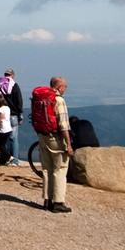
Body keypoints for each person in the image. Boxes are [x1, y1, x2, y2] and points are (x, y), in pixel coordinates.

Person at [33, 76, 73, 212]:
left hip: (42, 137)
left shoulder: (43, 99)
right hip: (56, 139)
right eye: (65, 86)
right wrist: (69, 144)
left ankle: (47, 200)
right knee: (60, 169)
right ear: (59, 87)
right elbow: (64, 125)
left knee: (46, 169)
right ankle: (58, 202)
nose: (66, 89)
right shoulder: (59, 100)